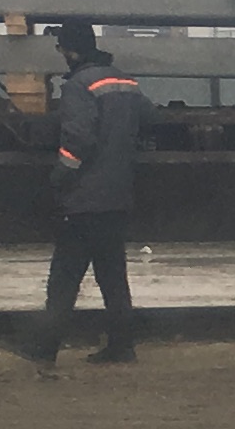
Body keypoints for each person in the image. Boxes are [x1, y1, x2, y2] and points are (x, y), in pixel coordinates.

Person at [17, 21, 149, 366]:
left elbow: (79, 140)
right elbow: (149, 120)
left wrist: (59, 177)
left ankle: (44, 349)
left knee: (64, 278)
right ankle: (122, 346)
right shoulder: (126, 82)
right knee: (113, 277)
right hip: (118, 196)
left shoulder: (79, 86)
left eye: (61, 48)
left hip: (84, 199)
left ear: (71, 50)